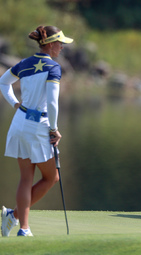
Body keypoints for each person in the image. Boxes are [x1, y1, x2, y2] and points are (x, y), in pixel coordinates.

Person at [0, 25, 73, 237]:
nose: (61, 47)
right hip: (39, 126)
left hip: (20, 121)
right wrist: (54, 129)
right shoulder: (54, 68)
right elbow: (52, 102)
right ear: (50, 45)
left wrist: (15, 104)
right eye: (59, 43)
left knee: (26, 178)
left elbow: (3, 83)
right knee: (51, 178)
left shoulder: (24, 63)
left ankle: (21, 225)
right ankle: (16, 220)